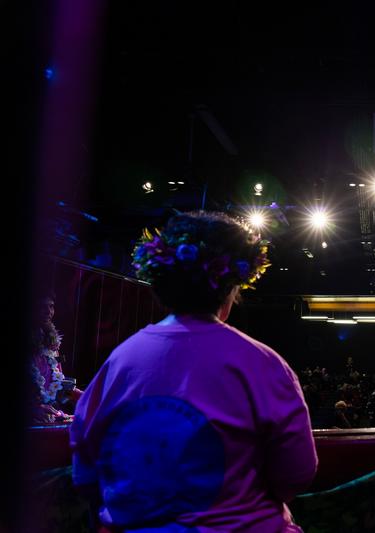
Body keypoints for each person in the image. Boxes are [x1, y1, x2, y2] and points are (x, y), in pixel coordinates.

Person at [70, 211, 317, 532]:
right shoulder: (266, 364)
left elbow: (85, 474)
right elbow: (296, 475)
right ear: (230, 289)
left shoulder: (118, 362)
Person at [30, 292, 82, 424]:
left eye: (51, 306)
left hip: (48, 419)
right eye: (42, 307)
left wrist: (87, 396)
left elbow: (59, 385)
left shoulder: (52, 344)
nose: (48, 311)